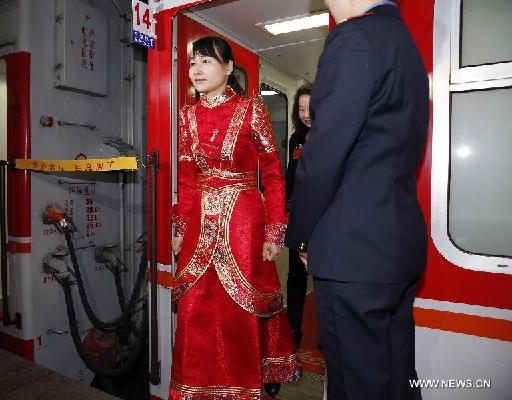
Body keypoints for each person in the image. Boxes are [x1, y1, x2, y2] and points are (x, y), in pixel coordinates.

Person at [285, 1, 429, 399]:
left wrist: (301, 235)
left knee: (356, 386)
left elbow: (323, 155)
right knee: (397, 379)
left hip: (352, 252)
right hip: (397, 246)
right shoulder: (405, 45)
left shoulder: (354, 39)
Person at [170, 36, 302, 399]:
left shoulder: (250, 109)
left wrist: (274, 231)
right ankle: (194, 389)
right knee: (194, 307)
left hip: (243, 224)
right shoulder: (186, 116)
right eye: (193, 62)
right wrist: (180, 226)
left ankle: (244, 387)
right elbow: (187, 179)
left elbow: (273, 174)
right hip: (199, 225)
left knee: (241, 309)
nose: (196, 69)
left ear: (229, 68)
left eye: (206, 61)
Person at [285, 83, 314, 348]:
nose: (305, 115)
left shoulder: (331, 136)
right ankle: (293, 331)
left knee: (324, 276)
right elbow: (291, 177)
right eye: (301, 109)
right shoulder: (296, 139)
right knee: (295, 276)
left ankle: (329, 336)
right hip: (298, 215)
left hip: (322, 218)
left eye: (310, 108)